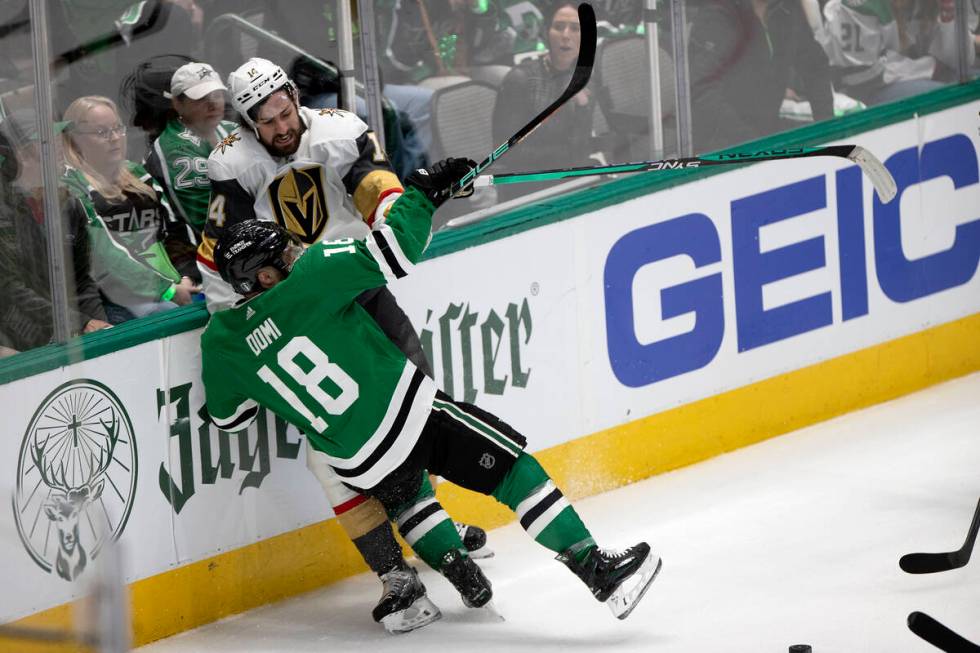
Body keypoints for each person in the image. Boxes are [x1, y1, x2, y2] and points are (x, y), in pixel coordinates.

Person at [201, 157, 662, 628]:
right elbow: (396, 249)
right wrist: (423, 194)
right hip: (412, 418)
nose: (296, 254)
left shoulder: (220, 342)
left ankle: (442, 576)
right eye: (286, 254)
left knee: (409, 500)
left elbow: (228, 418)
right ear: (264, 275)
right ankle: (600, 572)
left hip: (356, 461)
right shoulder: (314, 274)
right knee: (512, 469)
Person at [195, 57, 490, 632]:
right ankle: (399, 570)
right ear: (248, 120)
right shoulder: (231, 162)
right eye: (267, 121)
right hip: (297, 311)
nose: (281, 128)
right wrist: (234, 321)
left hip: (354, 282)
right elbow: (218, 252)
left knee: (418, 409)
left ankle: (435, 535)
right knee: (341, 445)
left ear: (292, 97)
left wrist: (417, 203)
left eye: (285, 113)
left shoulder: (339, 129)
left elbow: (377, 191)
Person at [61, 95, 200, 323]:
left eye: (117, 129)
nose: (114, 138)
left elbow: (173, 229)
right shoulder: (73, 187)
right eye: (101, 133)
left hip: (171, 285)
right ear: (75, 140)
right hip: (119, 300)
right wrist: (167, 290)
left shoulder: (137, 174)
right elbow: (104, 257)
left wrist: (187, 275)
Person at [0, 112, 110, 353]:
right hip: (20, 337)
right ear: (22, 156)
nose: (61, 147)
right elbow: (10, 290)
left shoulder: (69, 203)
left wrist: (103, 330)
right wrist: (80, 323)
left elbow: (81, 279)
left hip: (67, 325)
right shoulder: (4, 213)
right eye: (48, 140)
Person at [687, 0, 835, 153]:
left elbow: (814, 65)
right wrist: (751, 142)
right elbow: (700, 91)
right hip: (723, 151)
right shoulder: (719, 15)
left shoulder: (786, 10)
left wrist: (826, 126)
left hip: (765, 138)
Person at [144, 62, 238, 281]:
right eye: (201, 98)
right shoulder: (173, 150)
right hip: (200, 260)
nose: (213, 104)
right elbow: (205, 221)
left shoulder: (232, 129)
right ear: (177, 103)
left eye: (216, 94)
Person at [492, 2, 596, 200]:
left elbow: (582, 146)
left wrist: (582, 107)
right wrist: (565, 155)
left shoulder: (587, 78)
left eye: (575, 28)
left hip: (570, 179)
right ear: (546, 32)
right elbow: (506, 152)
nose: (566, 35)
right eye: (558, 27)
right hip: (527, 185)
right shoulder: (520, 79)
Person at [817, 0, 975, 106]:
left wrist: (948, 13)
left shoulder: (925, 4)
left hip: (906, 76)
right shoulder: (859, 4)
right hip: (863, 93)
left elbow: (960, 61)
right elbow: (862, 78)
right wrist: (928, 68)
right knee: (947, 97)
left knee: (973, 84)